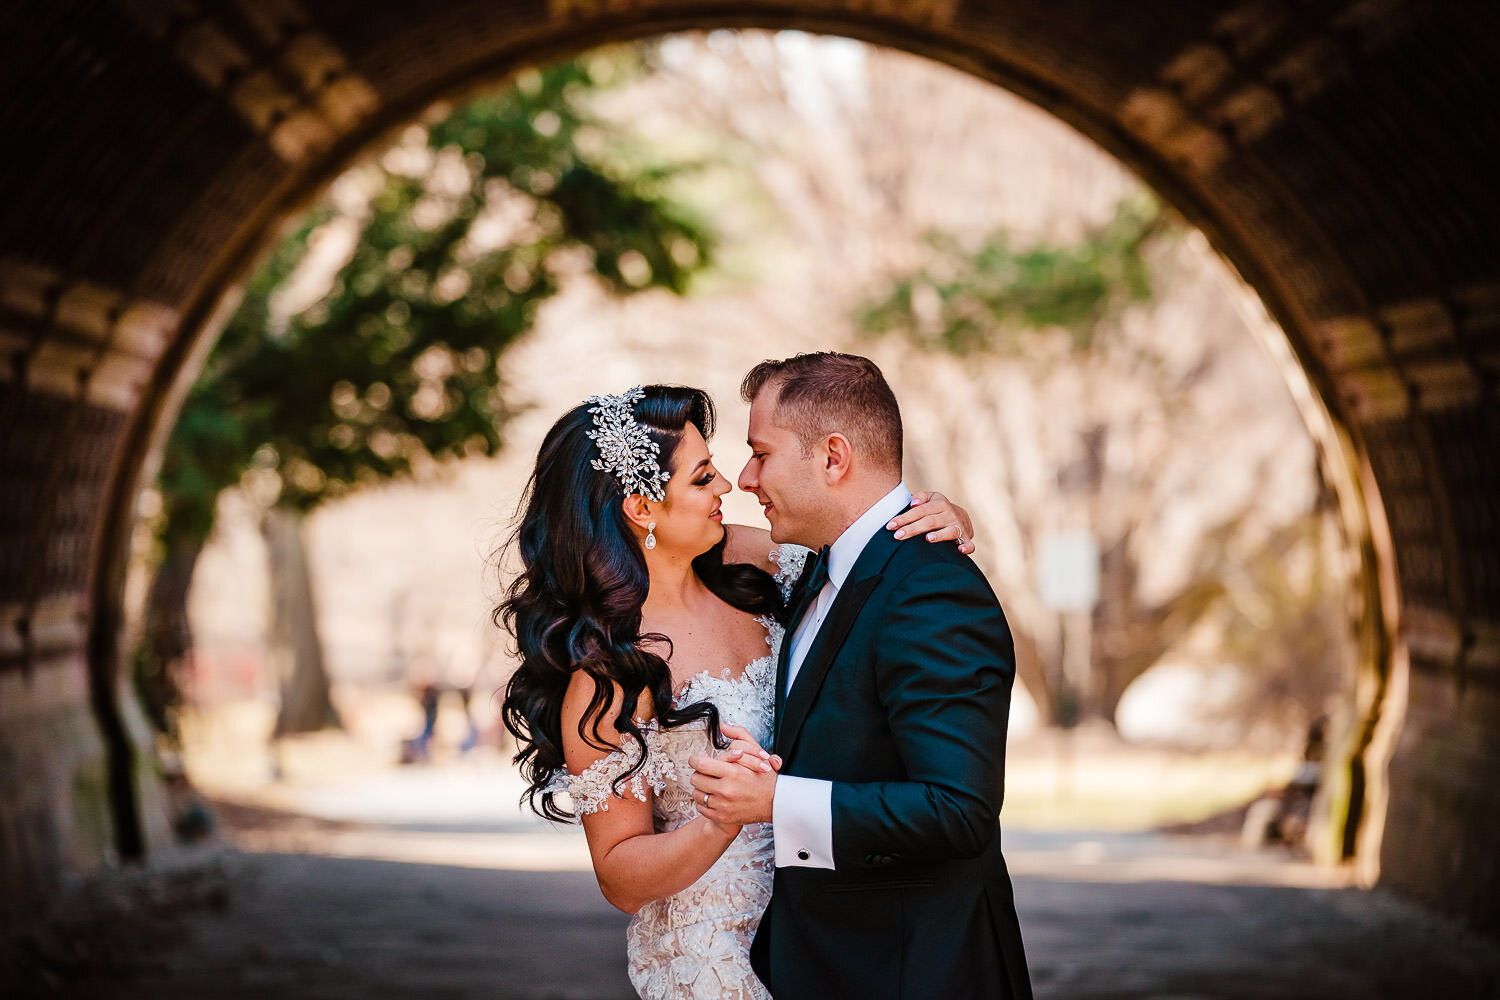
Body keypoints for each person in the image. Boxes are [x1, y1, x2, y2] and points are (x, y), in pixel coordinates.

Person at [497, 384, 974, 999]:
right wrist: (717, 823)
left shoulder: (760, 567)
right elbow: (619, 875)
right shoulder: (611, 673)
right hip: (715, 956)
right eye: (702, 477)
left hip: (836, 936)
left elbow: (869, 544)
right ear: (642, 508)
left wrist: (949, 517)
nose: (727, 486)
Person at [689, 353, 1033, 999]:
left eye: (761, 452)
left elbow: (959, 811)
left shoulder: (930, 591)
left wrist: (775, 803)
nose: (745, 477)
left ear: (833, 457)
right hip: (822, 960)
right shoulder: (816, 568)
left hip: (912, 970)